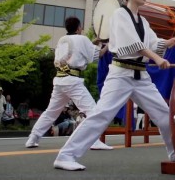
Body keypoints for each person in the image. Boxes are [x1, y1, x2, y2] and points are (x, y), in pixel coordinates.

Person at [53, 0, 175, 171]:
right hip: (121, 74)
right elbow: (133, 44)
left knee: (164, 115)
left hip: (141, 77)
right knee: (101, 115)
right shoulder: (119, 15)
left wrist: (169, 42)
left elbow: (152, 42)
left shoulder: (144, 21)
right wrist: (156, 58)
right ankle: (65, 156)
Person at [25, 16, 112, 151]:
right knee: (92, 111)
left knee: (51, 112)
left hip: (60, 80)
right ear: (78, 28)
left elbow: (81, 48)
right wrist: (108, 45)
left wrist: (94, 42)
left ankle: (33, 138)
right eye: (81, 27)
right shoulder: (82, 39)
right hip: (72, 81)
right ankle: (93, 141)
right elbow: (98, 54)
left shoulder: (62, 40)